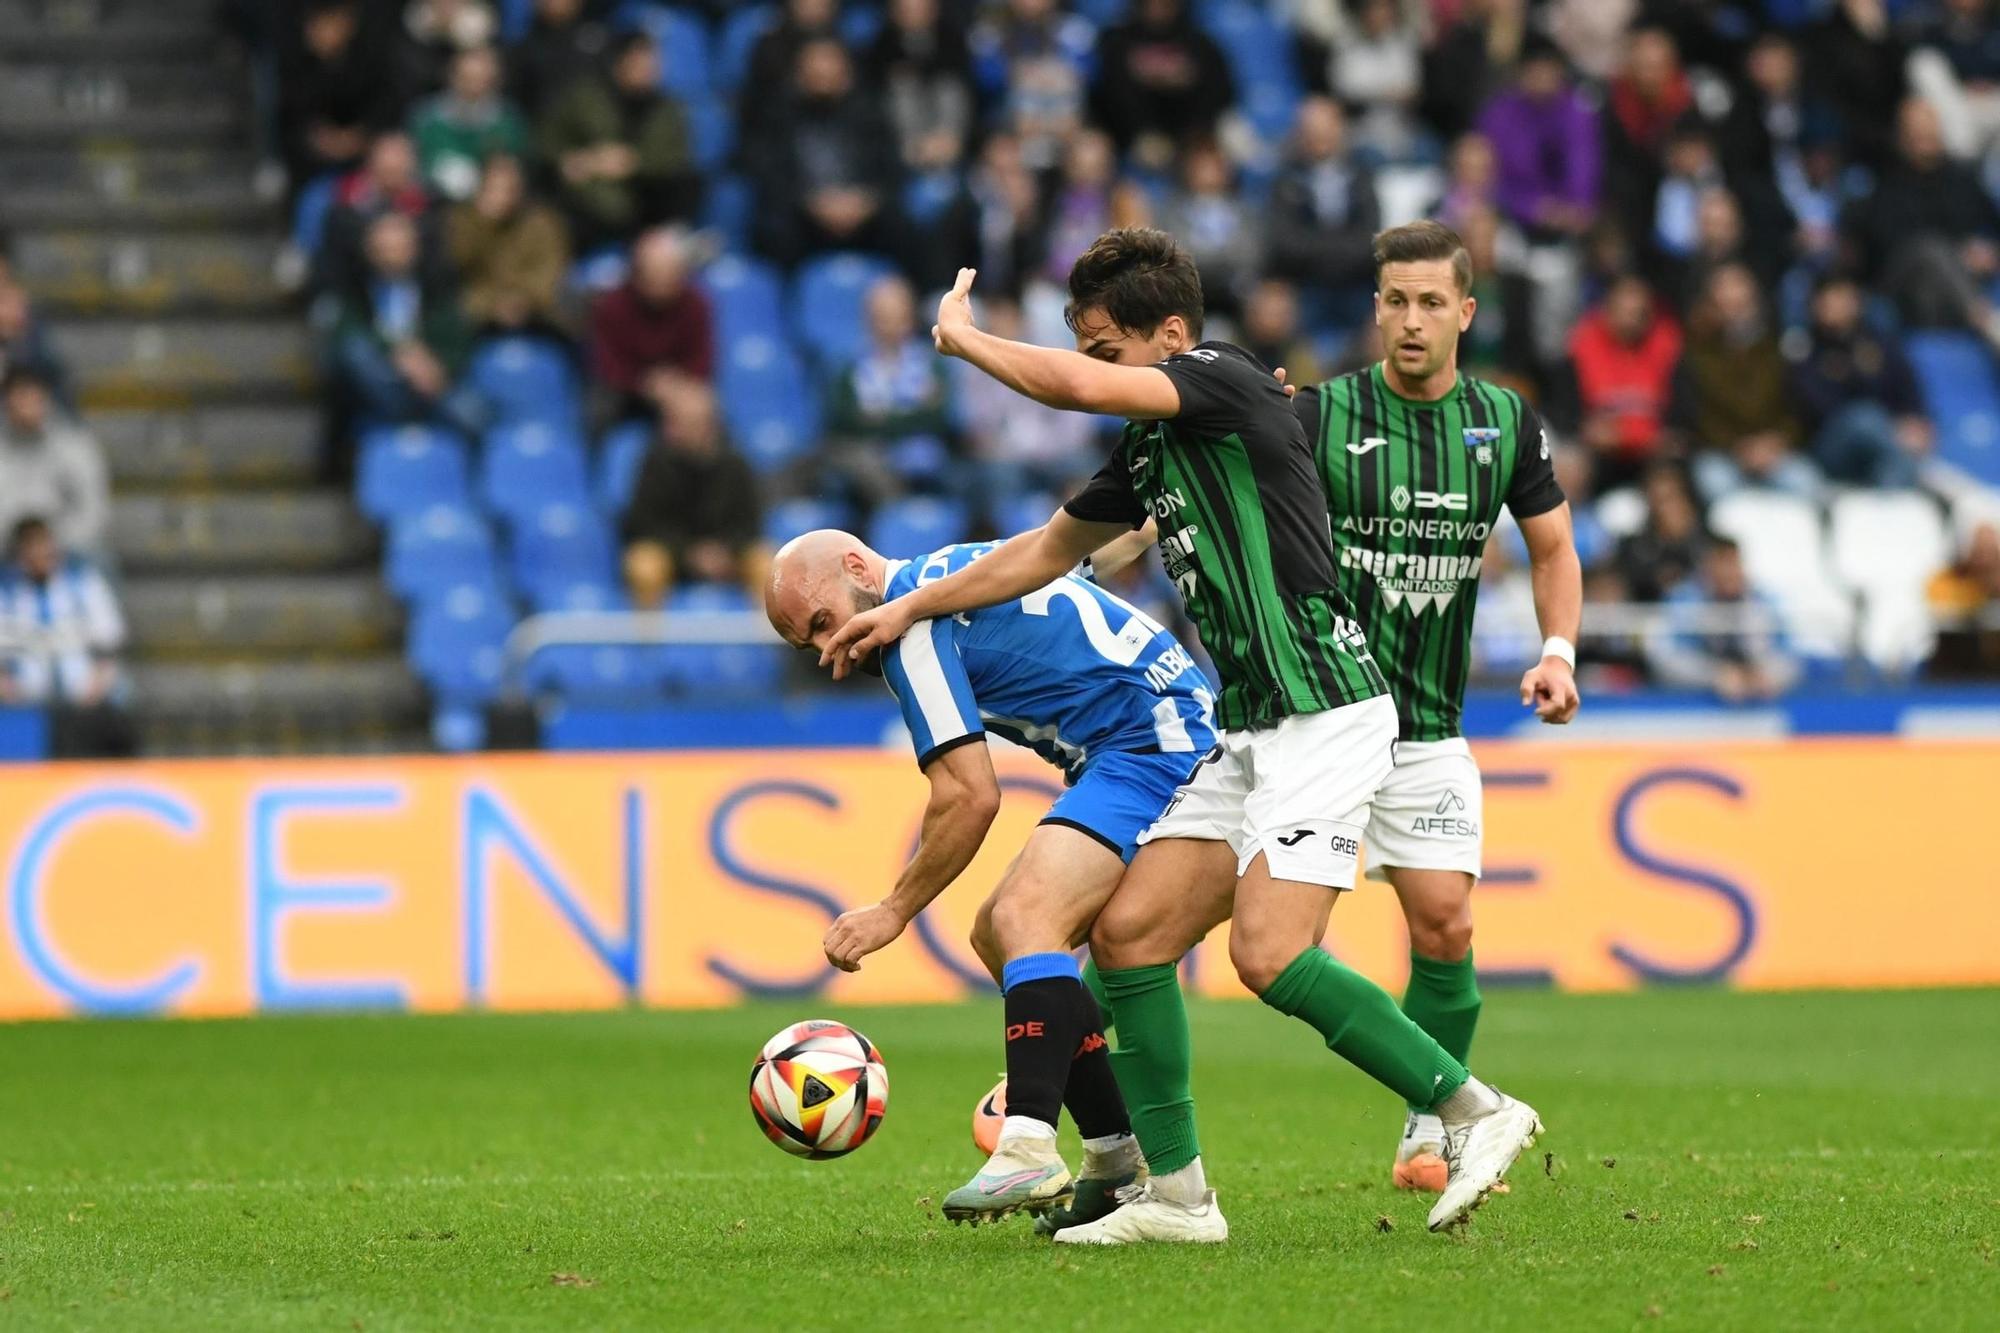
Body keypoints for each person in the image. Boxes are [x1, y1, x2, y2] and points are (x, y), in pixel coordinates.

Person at [824, 229, 1545, 1243]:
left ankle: (1472, 1108)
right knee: (1127, 938)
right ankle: (1176, 1195)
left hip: (1326, 711)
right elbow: (1040, 553)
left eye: (1110, 348)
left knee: (1266, 953)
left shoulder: (1222, 378)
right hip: (1249, 727)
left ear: (1170, 334)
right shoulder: (1151, 449)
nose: (1102, 371)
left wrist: (964, 340)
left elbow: (1075, 390)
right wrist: (908, 609)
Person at [1094, 221, 1584, 1197]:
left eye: (1430, 302)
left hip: (1423, 719)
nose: (1410, 320)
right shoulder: (1315, 412)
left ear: (1464, 314)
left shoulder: (1504, 423)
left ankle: (1439, 1120)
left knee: (1441, 922)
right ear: (1373, 311)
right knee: (1229, 941)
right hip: (1316, 699)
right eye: (1393, 301)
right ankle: (1451, 1110)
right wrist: (1122, 532)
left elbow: (1553, 550)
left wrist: (1556, 652)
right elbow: (1226, 481)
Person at [766, 526, 1217, 1226]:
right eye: (809, 645)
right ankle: (1114, 1154)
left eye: (824, 623)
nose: (829, 652)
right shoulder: (959, 564)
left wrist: (894, 909)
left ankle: (1029, 1142)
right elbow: (1082, 560)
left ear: (857, 564)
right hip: (1160, 721)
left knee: (1025, 918)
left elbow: (968, 795)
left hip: (1150, 738)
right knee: (996, 932)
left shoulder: (907, 630)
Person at [745, 37, 904, 265]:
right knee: (775, 228)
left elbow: (891, 168)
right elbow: (769, 172)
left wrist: (866, 201)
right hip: (802, 214)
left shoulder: (871, 113)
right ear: (799, 74)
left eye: (830, 72)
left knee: (901, 225)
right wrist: (812, 202)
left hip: (864, 212)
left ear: (847, 74)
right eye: (816, 74)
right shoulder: (778, 116)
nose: (824, 78)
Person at [536, 29, 698, 252]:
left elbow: (676, 159)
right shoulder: (584, 97)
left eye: (652, 63)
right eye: (638, 63)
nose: (647, 71)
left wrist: (633, 162)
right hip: (591, 201)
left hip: (649, 200)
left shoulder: (667, 110)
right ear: (618, 63)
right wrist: (574, 160)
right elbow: (548, 141)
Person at [329, 212, 483, 440]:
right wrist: (399, 352)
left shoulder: (437, 286)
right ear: (370, 251)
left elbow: (457, 339)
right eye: (384, 248)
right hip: (384, 380)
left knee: (475, 416)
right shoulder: (356, 289)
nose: (392, 256)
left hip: (434, 380)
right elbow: (347, 334)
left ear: (415, 248)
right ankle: (405, 421)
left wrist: (433, 367)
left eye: (399, 247)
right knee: (356, 352)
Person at [0, 516, 134, 758]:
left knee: (114, 716)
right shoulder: (6, 594)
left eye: (44, 546)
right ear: (20, 554)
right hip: (25, 705)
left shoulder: (83, 584)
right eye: (32, 548)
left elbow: (110, 643)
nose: (40, 555)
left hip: (84, 702)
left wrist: (96, 686)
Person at [622, 382, 764, 607]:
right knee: (643, 564)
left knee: (766, 563)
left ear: (709, 426)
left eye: (683, 423)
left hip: (729, 556)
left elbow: (750, 523)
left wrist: (724, 551)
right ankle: (648, 639)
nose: (671, 430)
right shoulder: (654, 463)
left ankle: (773, 639)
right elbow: (643, 524)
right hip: (672, 556)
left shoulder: (736, 464)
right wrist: (691, 554)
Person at [1790, 274, 1929, 489]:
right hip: (1828, 449)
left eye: (1841, 297)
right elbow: (1820, 409)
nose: (1832, 305)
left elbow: (1908, 391)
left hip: (1882, 445)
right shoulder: (1805, 349)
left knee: (1896, 460)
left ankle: (1888, 505)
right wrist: (1856, 372)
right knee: (1864, 418)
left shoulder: (1880, 343)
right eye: (1826, 299)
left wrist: (1915, 421)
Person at [1565, 273, 1682, 489]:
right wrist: (1584, 429)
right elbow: (1568, 410)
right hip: (1598, 455)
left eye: (1639, 314)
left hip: (1651, 456)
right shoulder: (1581, 344)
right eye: (1624, 311)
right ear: (1607, 310)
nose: (1632, 320)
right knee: (1570, 465)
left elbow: (1678, 419)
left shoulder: (1667, 345)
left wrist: (1635, 438)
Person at [587, 227, 715, 424]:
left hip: (677, 386)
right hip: (625, 389)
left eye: (669, 274)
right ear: (637, 274)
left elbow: (701, 360)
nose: (661, 283)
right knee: (599, 407)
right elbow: (608, 364)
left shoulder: (696, 305)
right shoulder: (611, 306)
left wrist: (673, 384)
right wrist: (645, 384)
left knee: (702, 406)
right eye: (654, 274)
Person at [1648, 537, 1801, 700]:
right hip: (1697, 707)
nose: (1728, 572)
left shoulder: (1766, 601)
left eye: (1732, 563)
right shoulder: (1683, 602)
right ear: (1706, 568)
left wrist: (1765, 674)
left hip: (1759, 699)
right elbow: (1666, 659)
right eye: (1720, 564)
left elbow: (1792, 654)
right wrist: (1715, 674)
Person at [445, 154, 570, 336]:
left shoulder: (543, 223)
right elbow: (461, 266)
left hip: (537, 309)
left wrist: (522, 300)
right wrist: (483, 222)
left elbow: (551, 271)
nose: (503, 196)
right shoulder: (464, 221)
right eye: (494, 189)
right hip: (482, 311)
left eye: (509, 189)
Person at [0, 366, 109, 558]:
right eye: (17, 398)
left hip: (63, 550)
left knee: (98, 558)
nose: (24, 406)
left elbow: (93, 512)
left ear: (46, 399)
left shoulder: (75, 445)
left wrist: (49, 546)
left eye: (30, 397)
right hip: (6, 550)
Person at [409, 44, 528, 203]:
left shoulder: (508, 121)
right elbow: (412, 164)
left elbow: (516, 167)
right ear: (452, 77)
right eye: (466, 79)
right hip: (431, 201)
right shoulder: (426, 117)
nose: (473, 88)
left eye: (481, 81)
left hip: (487, 204)